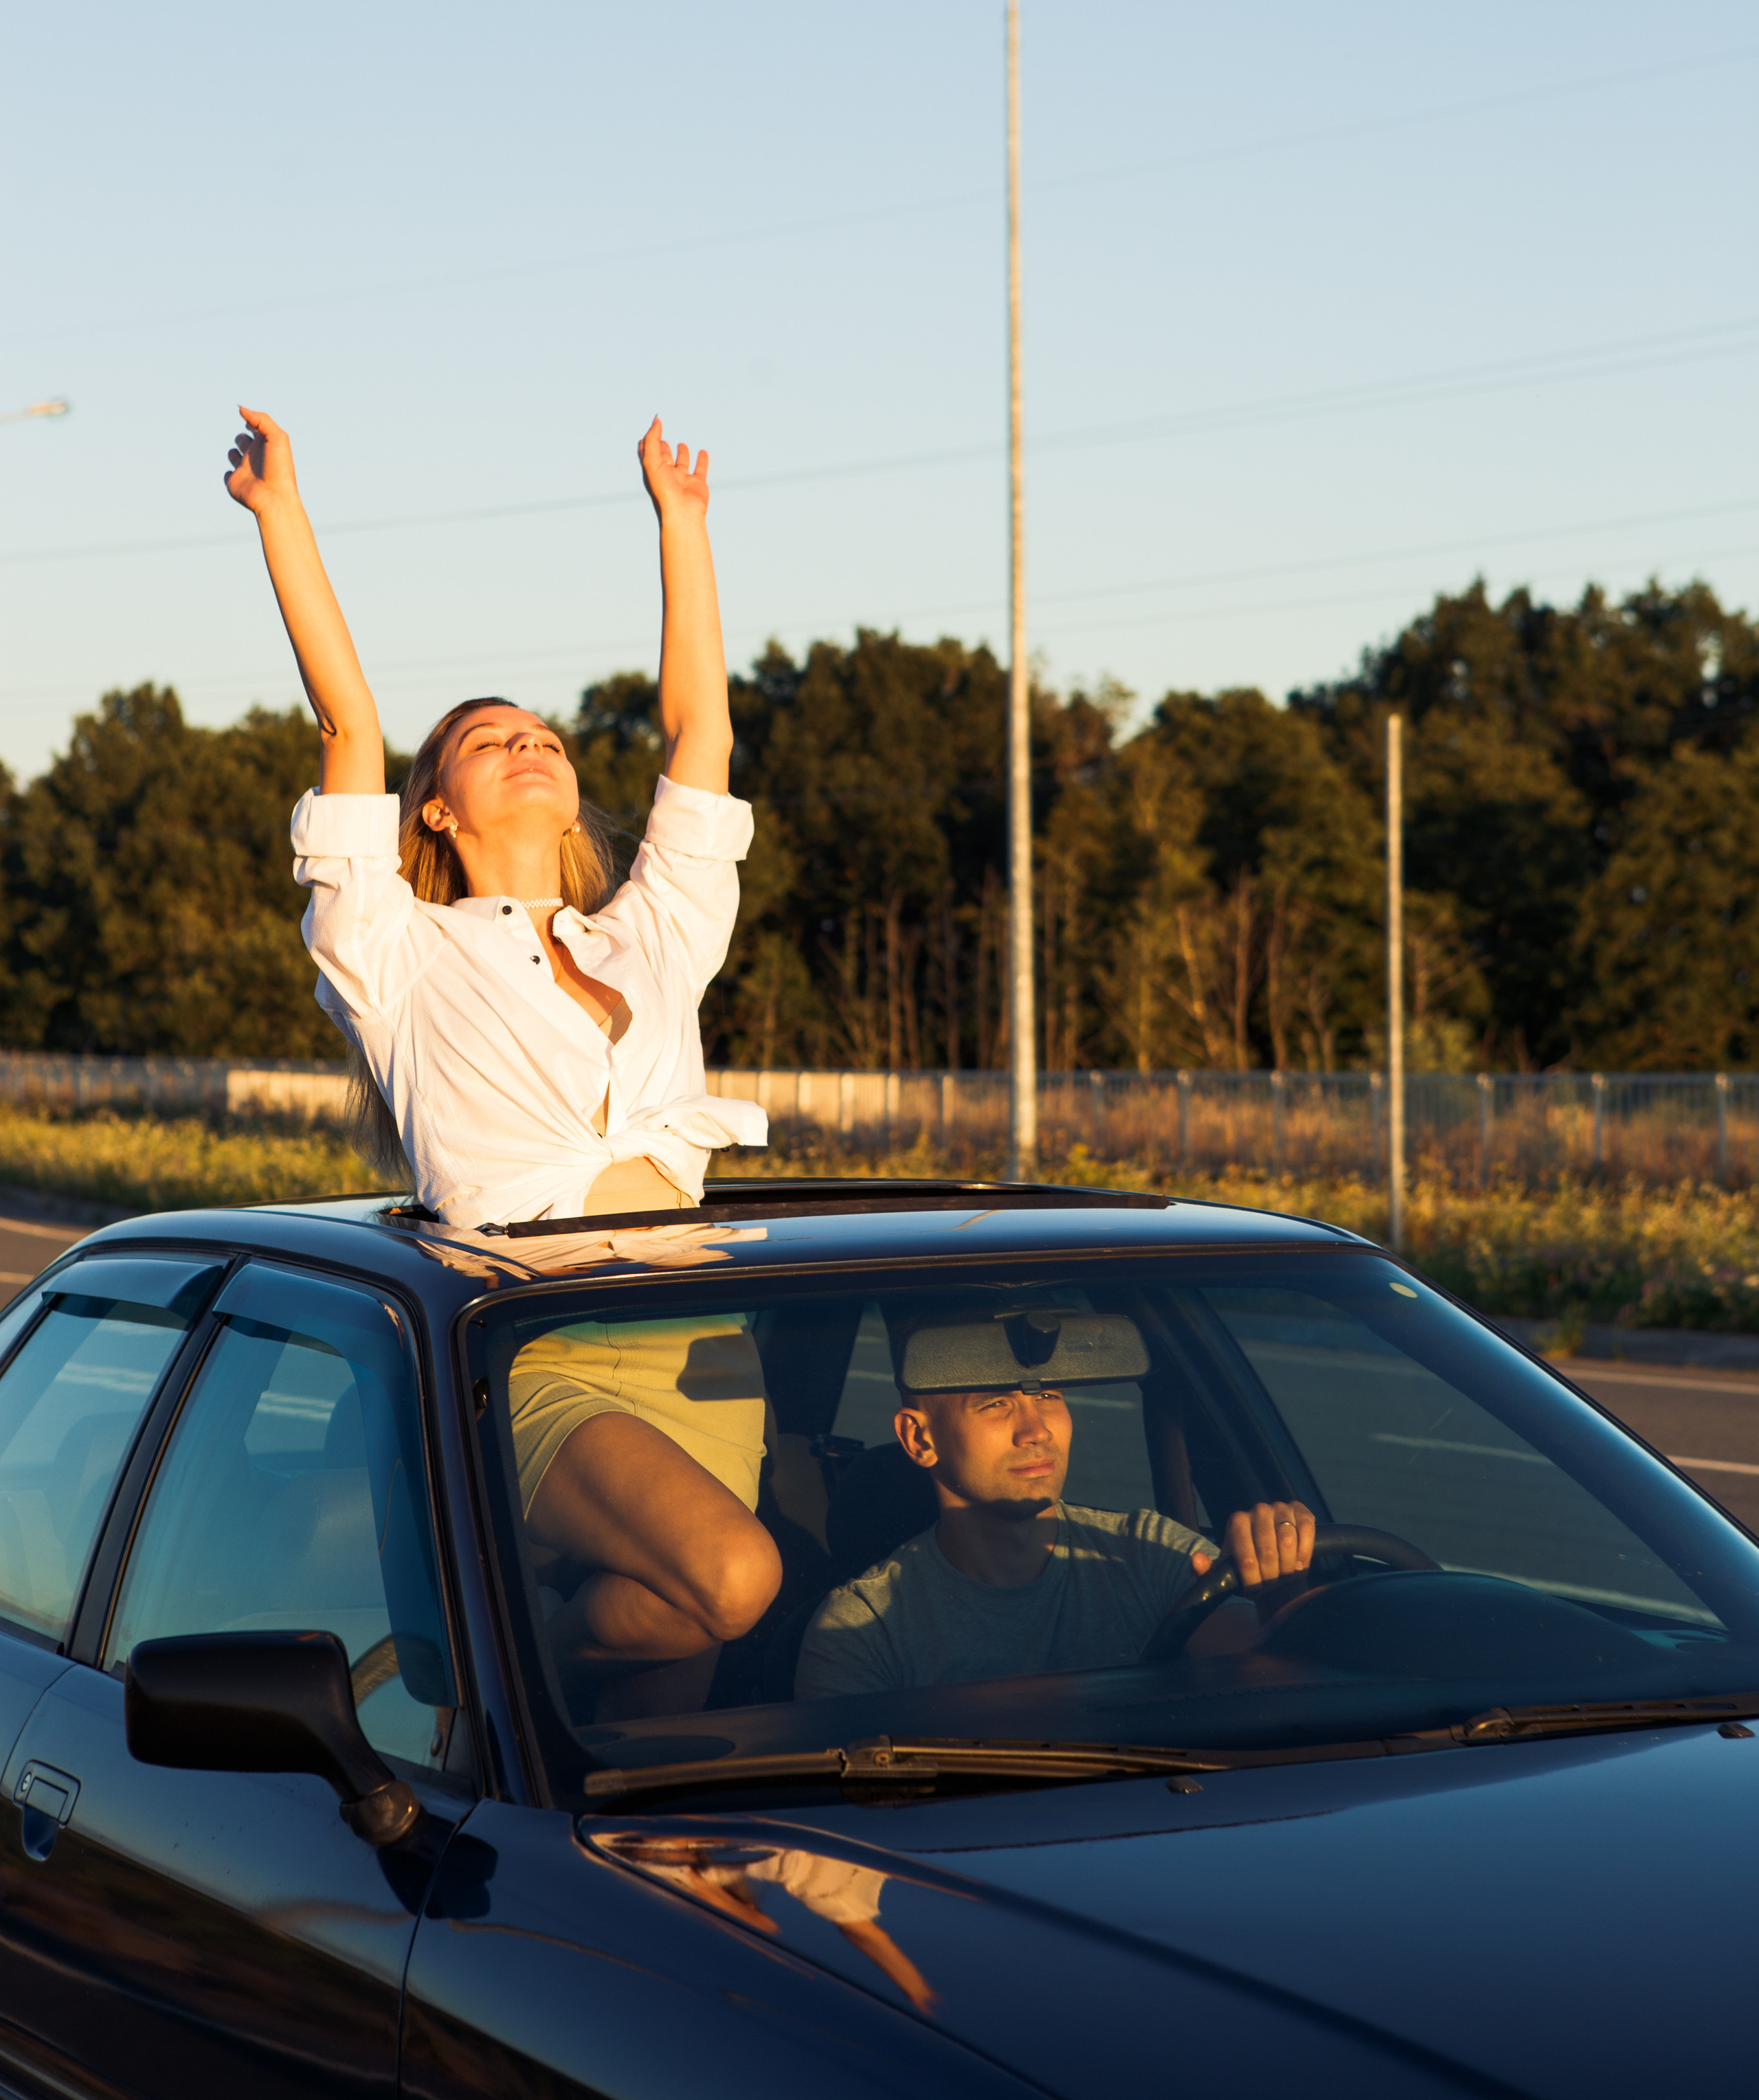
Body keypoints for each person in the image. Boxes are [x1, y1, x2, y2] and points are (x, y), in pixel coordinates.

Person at [224, 405, 781, 1712]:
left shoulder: (651, 933)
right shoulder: (396, 951)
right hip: (539, 1350)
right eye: (491, 741)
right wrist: (280, 514)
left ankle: (518, 1686)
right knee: (734, 1576)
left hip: (701, 1346)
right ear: (435, 806)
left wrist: (684, 526)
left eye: (545, 738)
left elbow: (700, 736)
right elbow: (346, 725)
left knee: (671, 1672)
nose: (530, 746)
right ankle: (463, 1677)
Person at [795, 1323, 1315, 1699]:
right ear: (919, 1439)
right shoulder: (863, 1631)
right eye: (996, 1404)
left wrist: (1280, 1595)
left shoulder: (1148, 1554)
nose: (1037, 1430)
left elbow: (1278, 1688)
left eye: (1048, 1396)